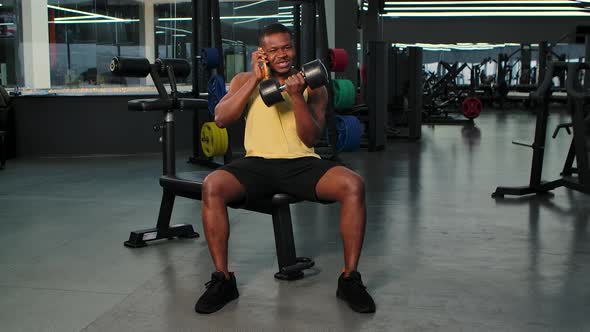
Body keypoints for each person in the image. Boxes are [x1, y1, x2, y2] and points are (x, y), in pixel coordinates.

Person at [194, 23, 375, 314]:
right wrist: (254, 80)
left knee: (353, 185)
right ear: (262, 53)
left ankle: (350, 279)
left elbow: (309, 137)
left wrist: (295, 96)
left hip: (301, 163)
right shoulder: (244, 79)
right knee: (212, 185)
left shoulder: (312, 85)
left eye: (287, 47)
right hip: (256, 163)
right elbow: (221, 118)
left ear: (294, 48)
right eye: (274, 49)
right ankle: (223, 279)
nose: (283, 54)